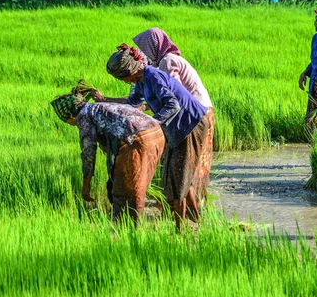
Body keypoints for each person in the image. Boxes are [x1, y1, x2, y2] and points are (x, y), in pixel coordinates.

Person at [104, 44, 210, 228]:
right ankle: (198, 223)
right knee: (173, 176)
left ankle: (180, 230)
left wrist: (151, 124)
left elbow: (173, 105)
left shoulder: (153, 76)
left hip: (191, 124)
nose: (123, 82)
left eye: (122, 78)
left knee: (178, 178)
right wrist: (105, 105)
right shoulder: (141, 82)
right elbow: (132, 103)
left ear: (130, 70)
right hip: (175, 128)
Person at [50, 92, 165, 222]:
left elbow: (88, 153)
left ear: (71, 114)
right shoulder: (97, 107)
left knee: (125, 190)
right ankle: (131, 224)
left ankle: (130, 229)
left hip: (138, 139)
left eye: (67, 121)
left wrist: (86, 185)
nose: (70, 124)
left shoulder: (83, 116)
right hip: (156, 132)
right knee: (137, 184)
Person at [132, 28, 214, 201]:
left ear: (153, 45)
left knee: (190, 163)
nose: (143, 53)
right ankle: (190, 203)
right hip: (199, 112)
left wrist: (148, 116)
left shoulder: (167, 61)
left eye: (144, 47)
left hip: (194, 115)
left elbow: (174, 96)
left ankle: (188, 204)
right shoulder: (161, 64)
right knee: (193, 162)